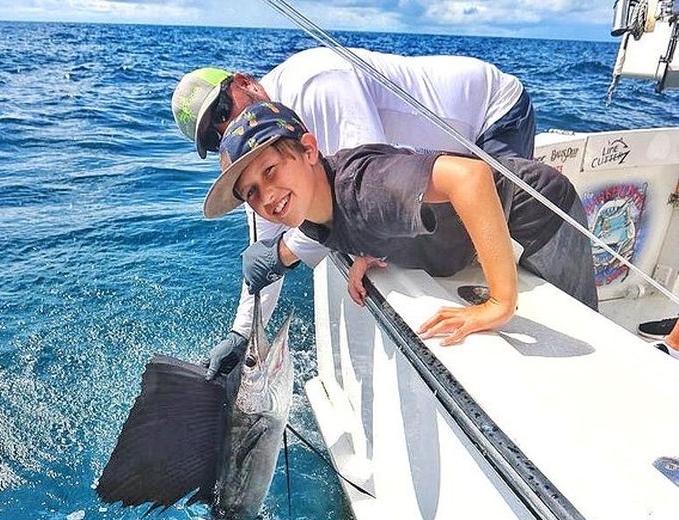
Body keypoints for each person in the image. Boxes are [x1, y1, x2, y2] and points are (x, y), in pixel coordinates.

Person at [172, 47, 537, 377]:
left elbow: (369, 174)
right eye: (213, 138)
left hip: (490, 115)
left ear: (244, 82)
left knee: (498, 232)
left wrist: (360, 244)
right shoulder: (255, 152)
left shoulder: (315, 84)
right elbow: (267, 244)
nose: (226, 126)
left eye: (222, 110)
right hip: (432, 160)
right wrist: (242, 334)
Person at [202, 101, 597, 346]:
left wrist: (500, 304)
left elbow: (471, 178)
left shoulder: (365, 186)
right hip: (483, 232)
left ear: (309, 149)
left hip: (537, 211)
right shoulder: (310, 215)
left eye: (270, 170)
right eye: (251, 192)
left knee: (587, 334)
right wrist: (365, 250)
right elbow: (345, 220)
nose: (266, 196)